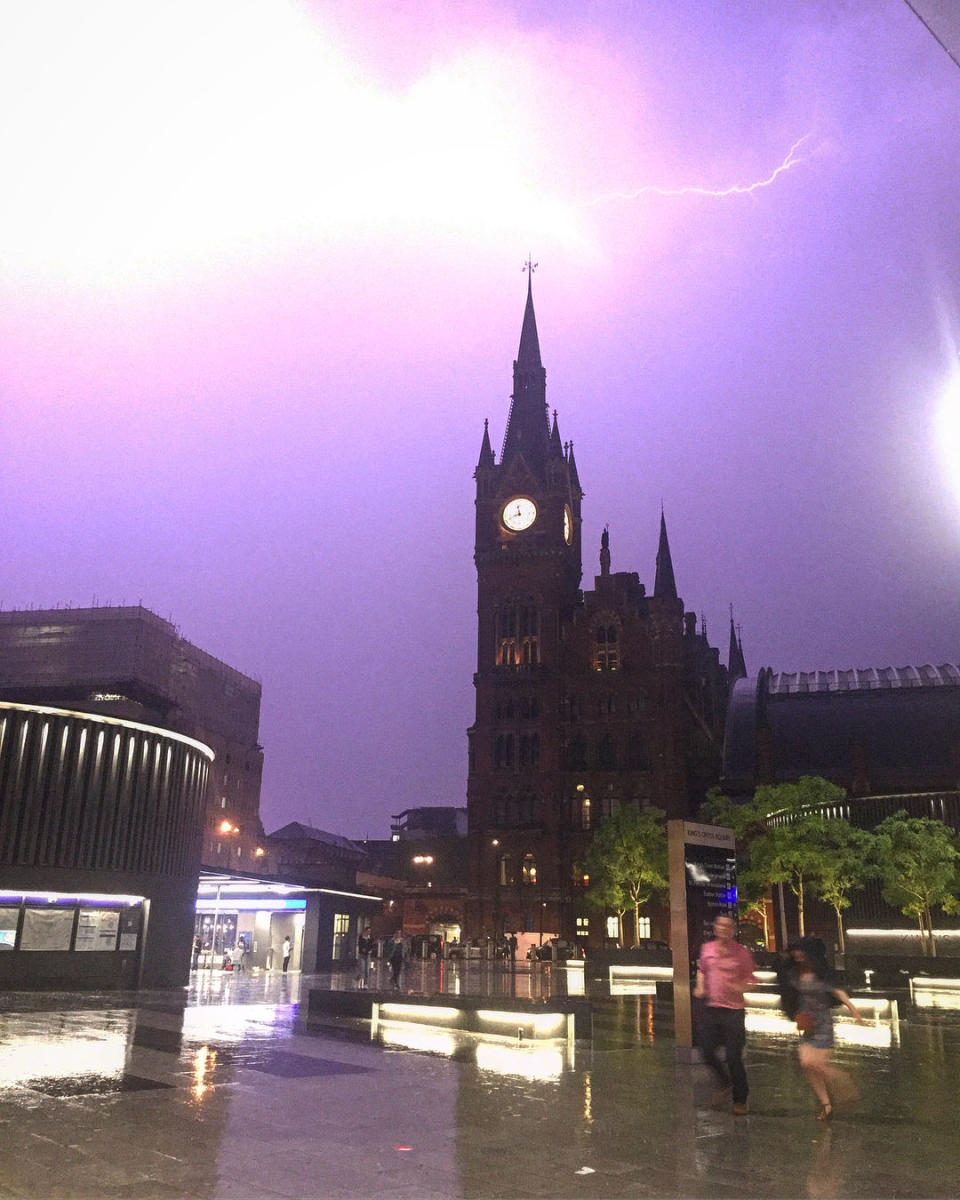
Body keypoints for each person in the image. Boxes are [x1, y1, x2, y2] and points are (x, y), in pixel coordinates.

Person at [783, 937, 865, 1121]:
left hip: (823, 1023)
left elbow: (837, 991)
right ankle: (827, 1104)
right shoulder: (794, 973)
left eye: (800, 950)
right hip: (807, 1023)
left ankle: (842, 1080)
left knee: (815, 1064)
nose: (797, 954)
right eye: (795, 950)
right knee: (806, 1064)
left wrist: (854, 1010)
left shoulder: (822, 973)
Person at [693, 913, 756, 1115]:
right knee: (706, 1049)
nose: (723, 929)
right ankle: (724, 1082)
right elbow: (702, 970)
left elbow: (752, 980)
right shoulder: (707, 949)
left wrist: (741, 986)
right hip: (712, 1008)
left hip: (733, 1011)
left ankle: (740, 1099)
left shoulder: (742, 953)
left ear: (733, 930)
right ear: (715, 928)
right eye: (720, 925)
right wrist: (700, 986)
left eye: (728, 926)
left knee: (733, 1056)